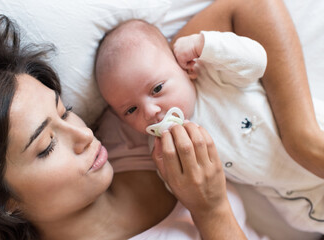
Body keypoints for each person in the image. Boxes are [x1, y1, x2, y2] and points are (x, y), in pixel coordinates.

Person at [0, 8, 264, 240]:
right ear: (6, 200)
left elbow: (245, 9)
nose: (84, 133)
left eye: (65, 111)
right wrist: (211, 212)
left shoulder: (132, 117)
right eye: (47, 146)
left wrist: (301, 138)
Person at [95, 16, 324, 235]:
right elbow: (189, 187)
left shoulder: (212, 75)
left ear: (183, 67)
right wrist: (172, 175)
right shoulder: (164, 148)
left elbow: (257, 62)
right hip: (302, 202)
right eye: (131, 110)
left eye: (157, 89)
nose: (150, 112)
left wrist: (206, 45)